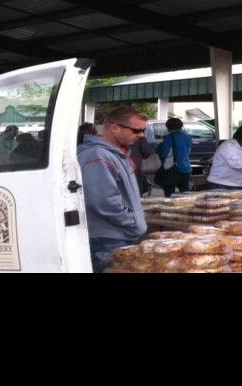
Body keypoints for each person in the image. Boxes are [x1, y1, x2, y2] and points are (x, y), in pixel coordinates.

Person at [77, 106, 149, 273]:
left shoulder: (117, 153)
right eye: (136, 130)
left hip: (119, 235)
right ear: (114, 127)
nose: (142, 135)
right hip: (108, 239)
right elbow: (102, 201)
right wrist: (131, 222)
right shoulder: (97, 155)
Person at [156, 118, 193, 197]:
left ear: (168, 127)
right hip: (186, 168)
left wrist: (158, 150)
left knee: (169, 193)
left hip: (171, 168)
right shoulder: (187, 137)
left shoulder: (168, 138)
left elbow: (164, 153)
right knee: (185, 192)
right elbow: (189, 151)